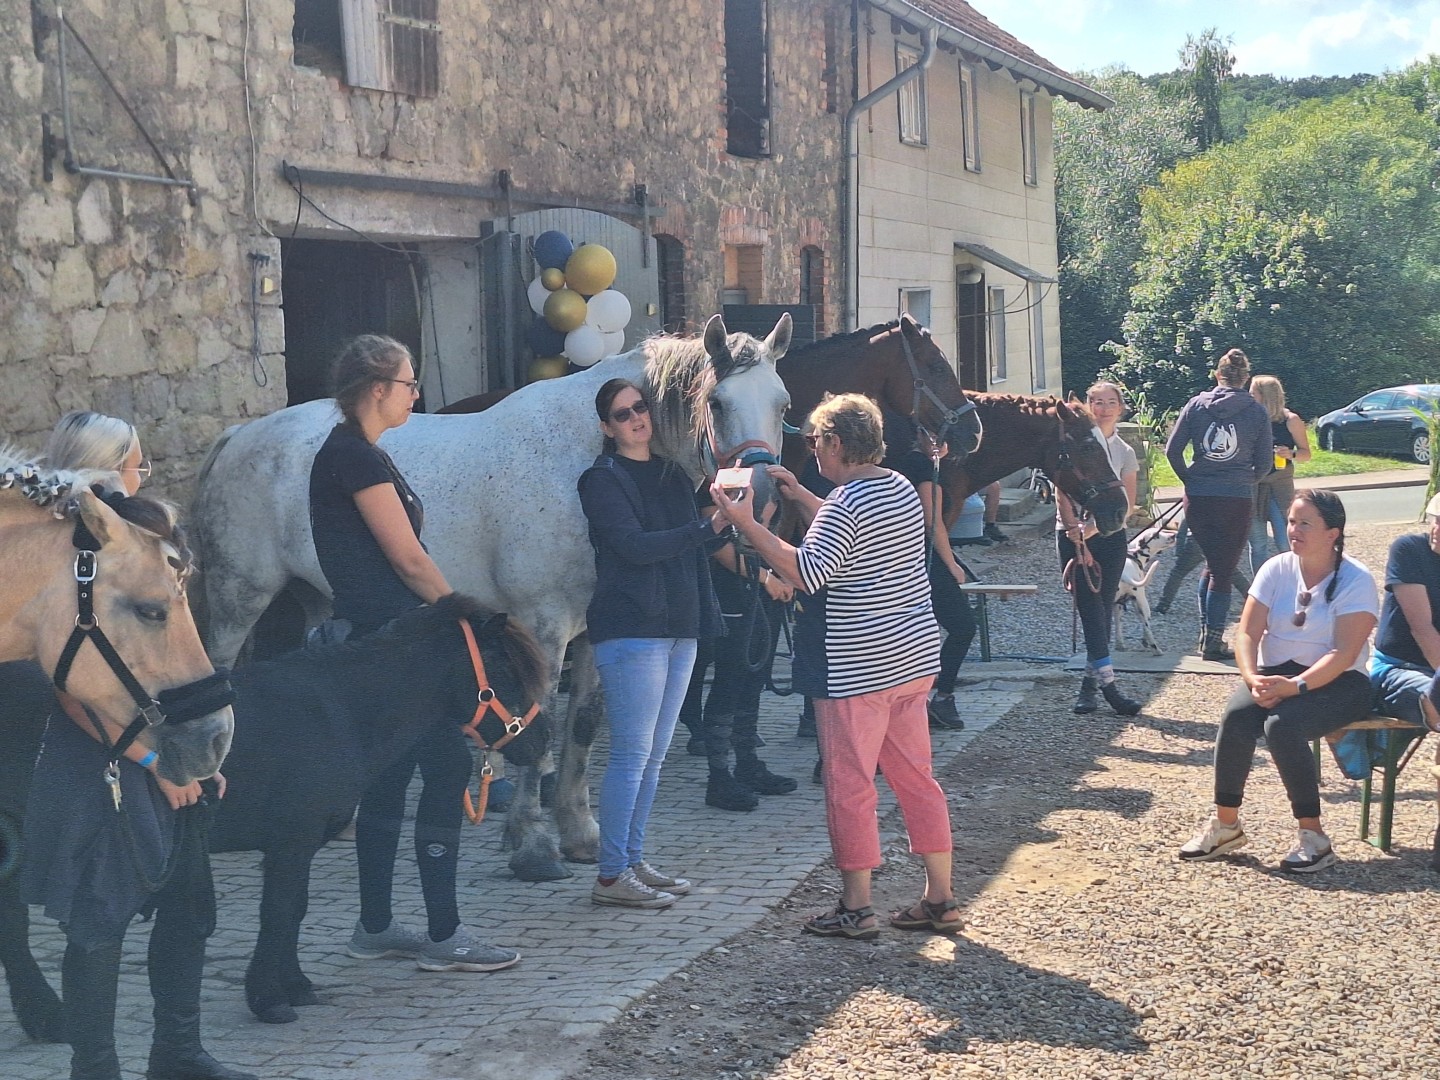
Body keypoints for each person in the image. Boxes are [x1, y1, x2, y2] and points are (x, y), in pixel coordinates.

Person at [18, 411, 255, 1080]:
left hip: (164, 745)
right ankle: (94, 1069)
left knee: (188, 908)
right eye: (134, 462)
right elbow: (72, 686)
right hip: (101, 761)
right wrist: (156, 762)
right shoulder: (69, 554)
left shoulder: (140, 537)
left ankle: (177, 1053)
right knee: (99, 925)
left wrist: (194, 755)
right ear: (102, 467)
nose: (143, 473)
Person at [712, 393, 961, 940]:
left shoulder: (848, 505)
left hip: (858, 670)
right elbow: (850, 534)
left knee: (850, 786)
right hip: (913, 658)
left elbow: (808, 571)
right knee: (917, 779)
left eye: (815, 441)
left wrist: (744, 522)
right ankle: (940, 897)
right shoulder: (895, 486)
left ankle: (856, 907)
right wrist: (799, 492)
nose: (813, 450)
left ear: (836, 443)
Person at [310, 334, 519, 973]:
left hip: (385, 638)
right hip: (393, 642)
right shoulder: (355, 458)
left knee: (391, 780)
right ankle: (444, 933)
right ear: (377, 389)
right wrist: (470, 618)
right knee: (444, 768)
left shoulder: (360, 453)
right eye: (408, 382)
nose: (416, 393)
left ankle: (376, 925)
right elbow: (406, 557)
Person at [578, 378, 730, 907]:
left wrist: (730, 518)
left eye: (641, 408)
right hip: (630, 629)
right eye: (623, 414)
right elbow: (632, 546)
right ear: (606, 427)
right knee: (630, 754)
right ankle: (610, 876)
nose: (636, 419)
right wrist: (706, 529)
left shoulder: (671, 473)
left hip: (678, 626)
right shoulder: (601, 478)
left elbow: (699, 539)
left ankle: (631, 859)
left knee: (654, 756)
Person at [1179, 490, 1377, 873]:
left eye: (1305, 523)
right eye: (1291, 521)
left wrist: (1297, 686)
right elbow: (1247, 633)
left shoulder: (1357, 579)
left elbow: (1344, 654)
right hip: (1276, 672)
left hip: (1342, 681)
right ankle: (1225, 825)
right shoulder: (1276, 568)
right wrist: (1252, 678)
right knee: (1236, 716)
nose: (1293, 530)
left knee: (1282, 727)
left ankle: (1314, 837)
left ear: (1332, 533)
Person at [684, 499, 798, 813]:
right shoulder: (714, 484)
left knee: (753, 679)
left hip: (762, 589)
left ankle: (746, 762)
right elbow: (718, 543)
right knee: (730, 680)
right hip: (730, 590)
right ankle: (718, 776)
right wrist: (766, 577)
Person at [1165, 348, 1273, 660]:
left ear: (1217, 375)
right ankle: (1212, 641)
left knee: (1214, 564)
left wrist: (1190, 478)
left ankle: (1207, 633)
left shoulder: (1196, 405)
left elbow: (1173, 451)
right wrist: (1248, 478)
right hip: (1235, 496)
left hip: (1199, 496)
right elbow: (1265, 463)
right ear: (1246, 378)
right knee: (1224, 570)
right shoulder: (1256, 412)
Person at [1057, 382, 1143, 716]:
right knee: (1088, 608)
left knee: (1102, 608)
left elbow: (1128, 503)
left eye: (1110, 402)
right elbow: (1061, 491)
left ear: (1120, 408)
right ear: (1087, 406)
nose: (1104, 408)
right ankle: (1108, 685)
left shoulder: (1125, 451)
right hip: (1071, 534)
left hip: (1109, 535)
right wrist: (1074, 532)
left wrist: (1090, 531)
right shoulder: (1073, 443)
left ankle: (1090, 685)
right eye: (1096, 402)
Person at [1367, 494, 1440, 870]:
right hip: (1397, 668)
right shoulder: (1409, 550)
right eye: (1436, 518)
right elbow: (1422, 628)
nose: (1438, 529)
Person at [890, 433, 976, 730]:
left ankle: (926, 698)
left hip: (910, 557)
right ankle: (941, 696)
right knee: (963, 626)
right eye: (933, 437)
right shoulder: (920, 466)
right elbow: (932, 520)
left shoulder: (916, 464)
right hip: (922, 558)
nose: (940, 442)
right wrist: (951, 563)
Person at [1249, 375, 1311, 570]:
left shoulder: (1290, 420)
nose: (1249, 396)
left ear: (1265, 396)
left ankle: (1291, 582)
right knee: (1258, 543)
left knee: (1285, 541)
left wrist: (1290, 453)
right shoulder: (1250, 418)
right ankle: (1259, 590)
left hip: (1280, 484)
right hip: (1254, 484)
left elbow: (1306, 454)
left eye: (1253, 393)